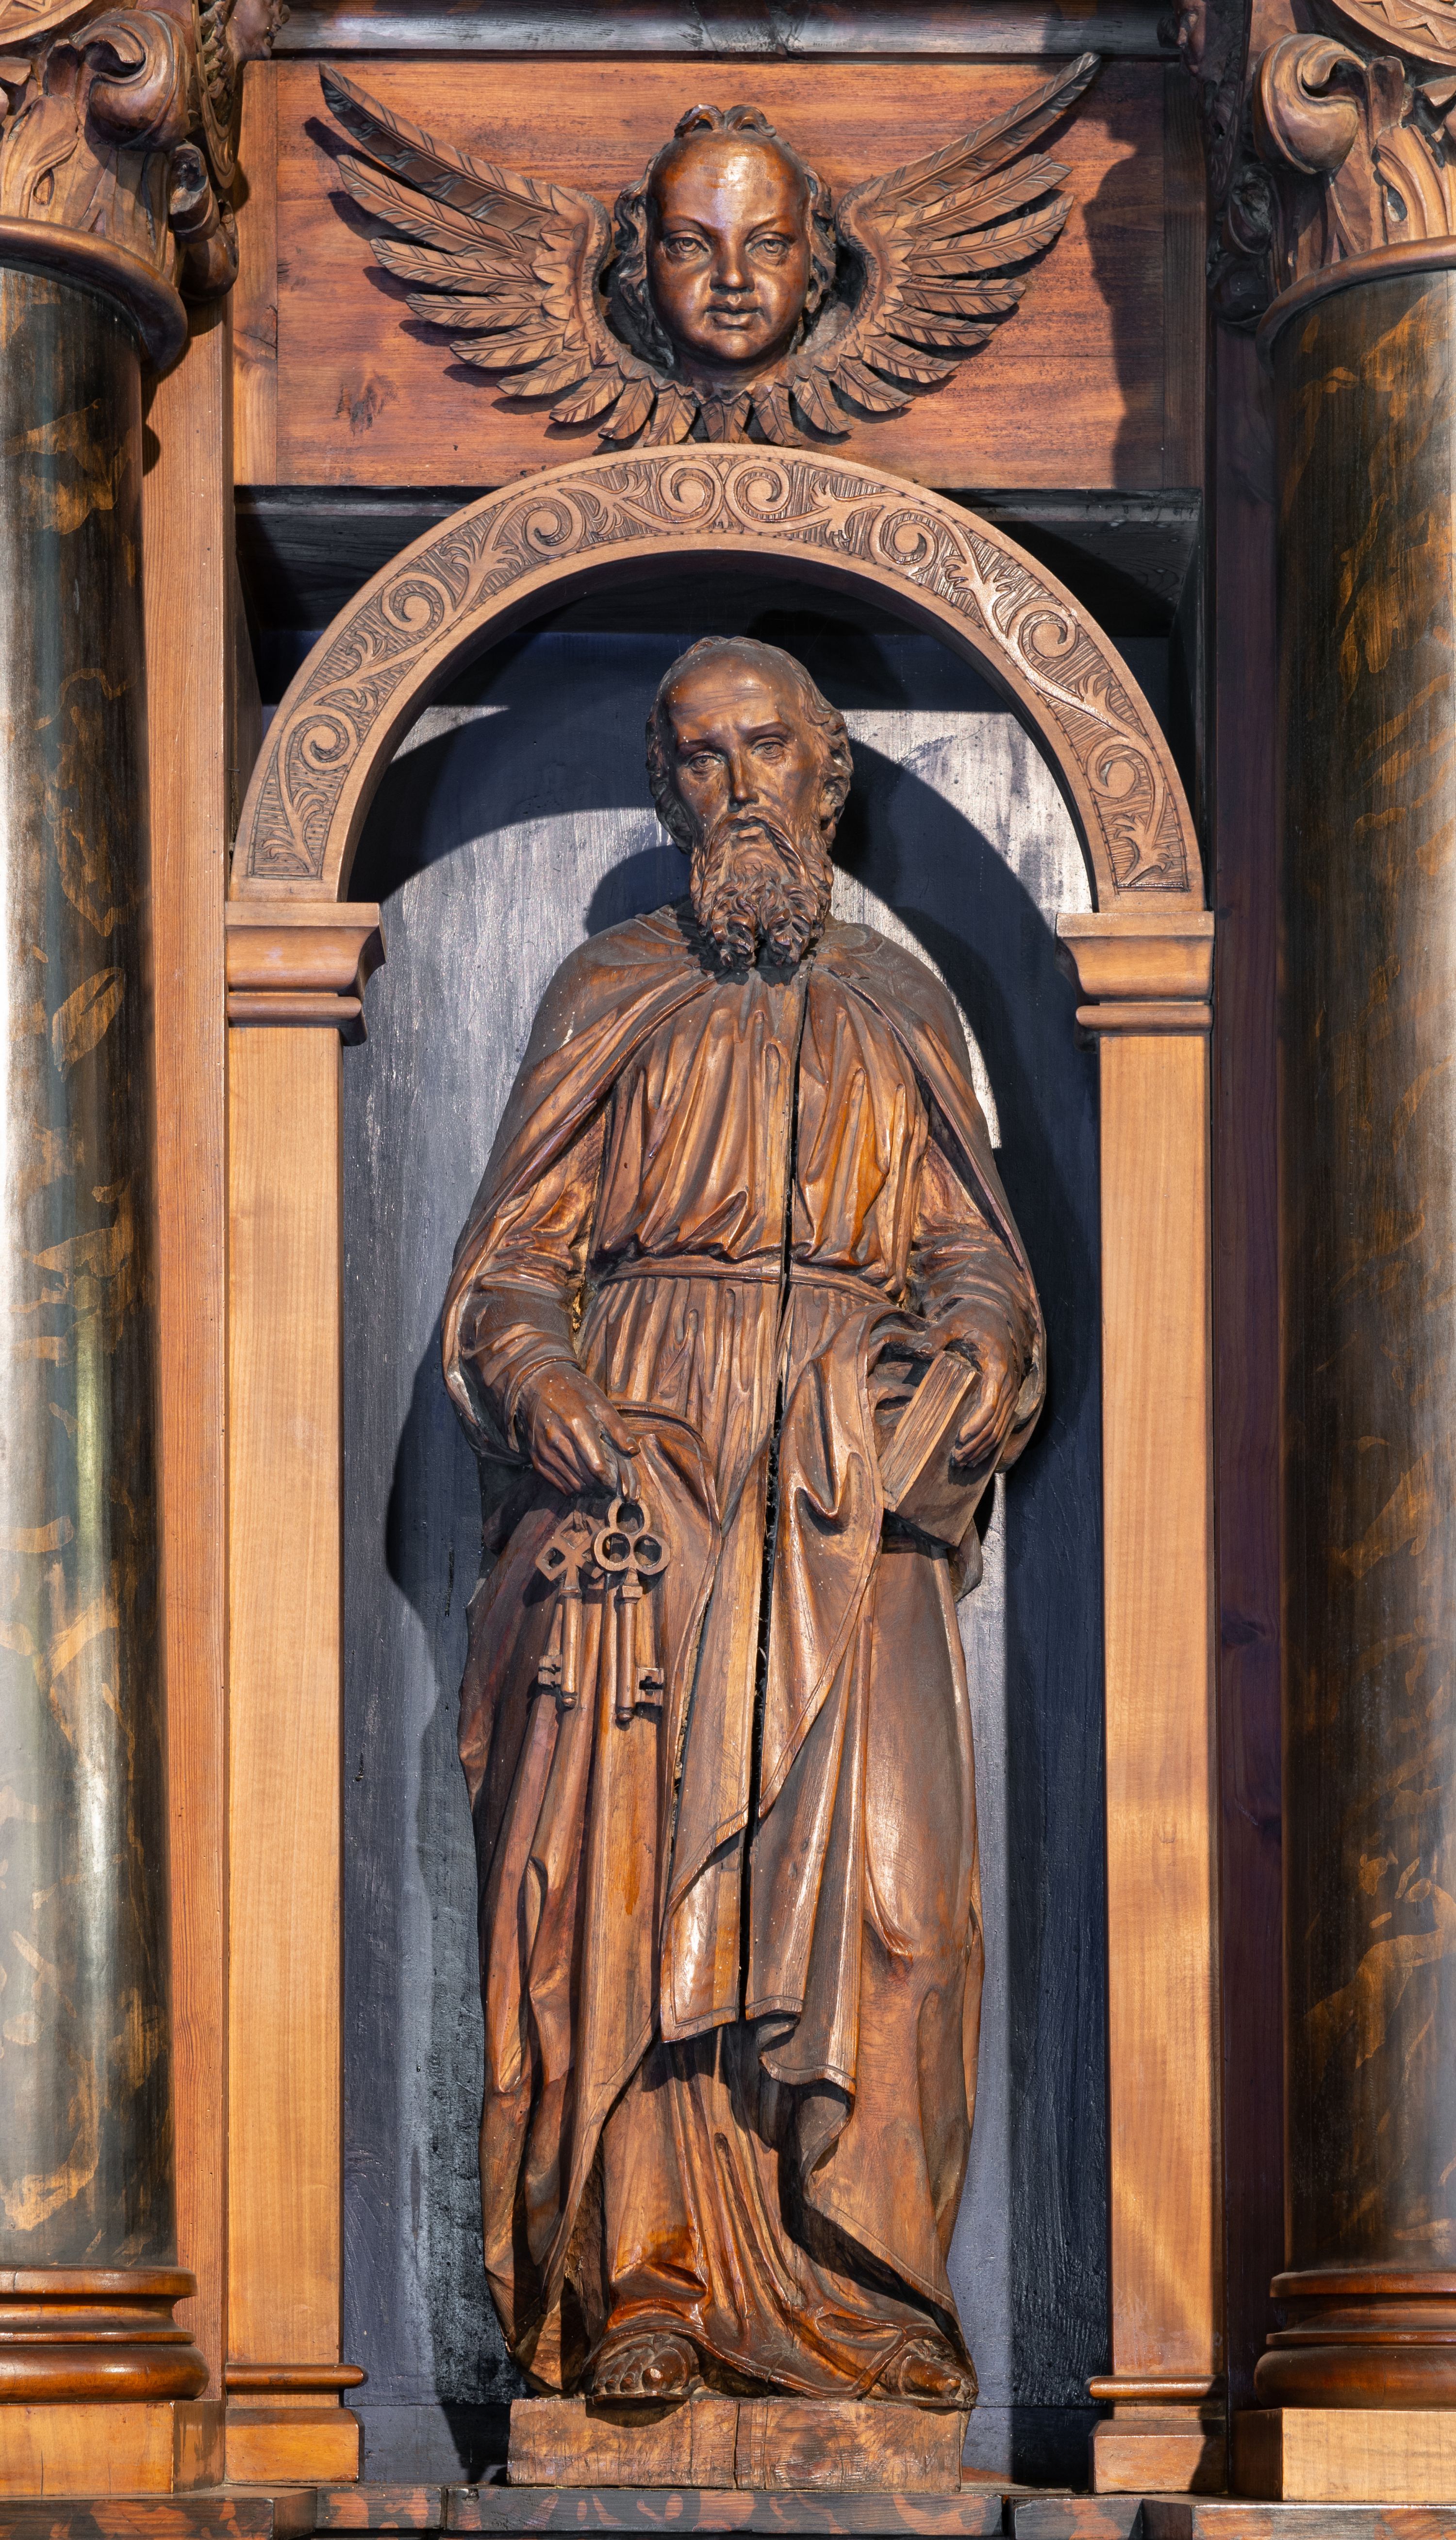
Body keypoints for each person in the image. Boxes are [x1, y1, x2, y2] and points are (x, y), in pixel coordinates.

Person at [443, 635, 1043, 2408]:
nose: (736, 785)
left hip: (848, 1490)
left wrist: (964, 1363)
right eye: (699, 757)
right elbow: (514, 1266)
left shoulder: (898, 1002)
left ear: (827, 773)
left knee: (897, 1897)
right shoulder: (609, 989)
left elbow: (972, 1257)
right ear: (669, 789)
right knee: (625, 1889)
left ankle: (860, 2278)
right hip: (644, 1474)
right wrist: (549, 1387)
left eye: (766, 747)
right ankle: (646, 2276)